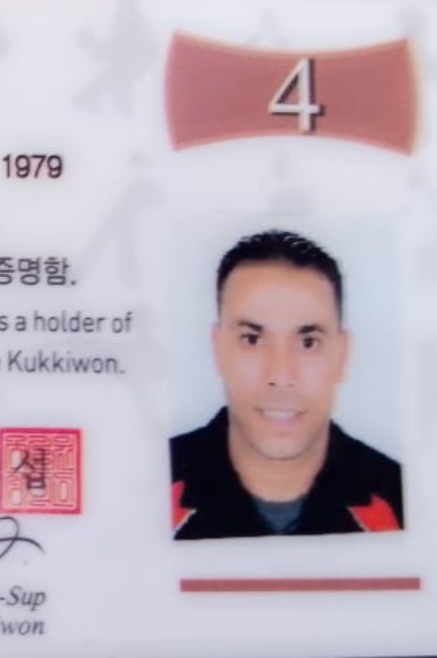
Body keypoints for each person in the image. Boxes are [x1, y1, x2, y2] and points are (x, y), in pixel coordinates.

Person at [171, 229, 403, 540]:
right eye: (252, 340)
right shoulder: (152, 484)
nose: (281, 376)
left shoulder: (401, 499)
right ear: (217, 349)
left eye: (308, 343)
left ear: (342, 355)